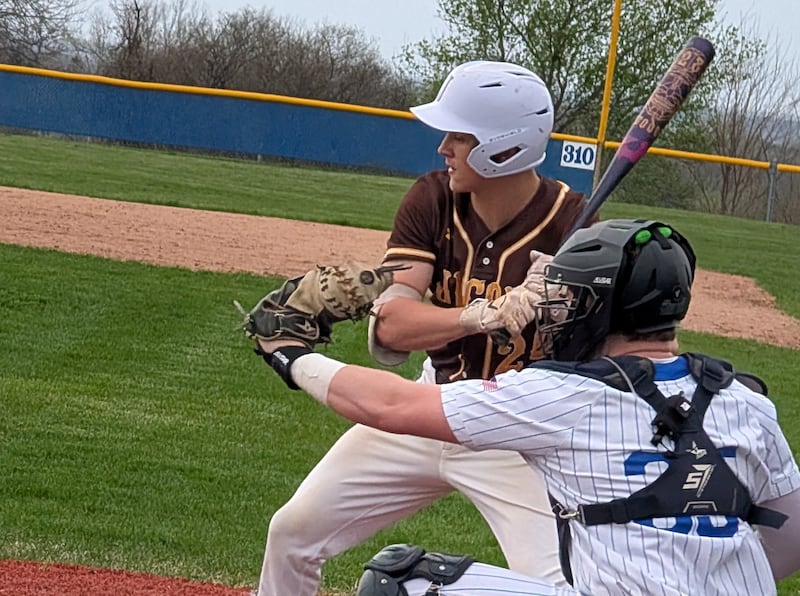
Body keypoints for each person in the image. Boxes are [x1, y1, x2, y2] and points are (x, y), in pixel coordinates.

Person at [253, 218, 800, 595]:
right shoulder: (746, 402)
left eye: (568, 301)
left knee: (405, 580)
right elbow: (790, 542)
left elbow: (388, 405)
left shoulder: (564, 397)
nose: (555, 315)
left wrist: (289, 355)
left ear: (600, 310)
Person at [255, 60, 594, 595]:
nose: (444, 148)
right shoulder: (433, 198)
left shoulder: (577, 228)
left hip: (518, 434)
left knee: (562, 586)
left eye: (460, 136)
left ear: (504, 146)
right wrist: (479, 315)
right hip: (427, 409)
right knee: (291, 531)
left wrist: (567, 304)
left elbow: (620, 361)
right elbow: (391, 324)